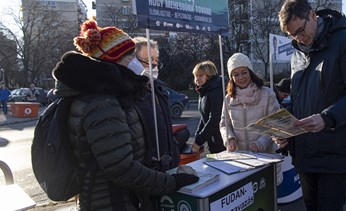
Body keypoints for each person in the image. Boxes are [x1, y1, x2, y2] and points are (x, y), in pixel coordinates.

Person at [51, 20, 198, 210]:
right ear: (112, 61)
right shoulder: (102, 103)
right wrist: (171, 182)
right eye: (131, 57)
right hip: (111, 202)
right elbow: (122, 169)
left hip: (123, 198)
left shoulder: (112, 95)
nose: (136, 64)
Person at [276, 1, 346, 210]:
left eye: (300, 30)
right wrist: (285, 129)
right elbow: (297, 100)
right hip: (304, 152)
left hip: (335, 152)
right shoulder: (297, 54)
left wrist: (327, 118)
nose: (299, 38)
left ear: (312, 15)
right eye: (292, 35)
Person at [133, 36, 180, 170]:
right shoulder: (130, 94)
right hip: (147, 169)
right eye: (148, 60)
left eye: (156, 60)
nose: (154, 65)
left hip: (168, 163)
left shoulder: (160, 90)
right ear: (133, 62)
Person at [220, 53, 280, 153]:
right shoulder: (228, 99)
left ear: (250, 72)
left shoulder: (267, 94)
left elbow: (274, 124)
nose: (241, 77)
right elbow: (224, 124)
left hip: (266, 155)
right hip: (240, 156)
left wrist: (260, 143)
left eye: (244, 72)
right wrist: (229, 138)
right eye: (236, 74)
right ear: (231, 78)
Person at [191, 61, 226, 154]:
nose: (197, 79)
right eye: (196, 76)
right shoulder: (204, 90)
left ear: (209, 76)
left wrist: (199, 141)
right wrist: (197, 137)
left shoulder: (216, 90)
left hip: (222, 140)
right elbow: (203, 117)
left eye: (200, 75)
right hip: (213, 140)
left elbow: (215, 119)